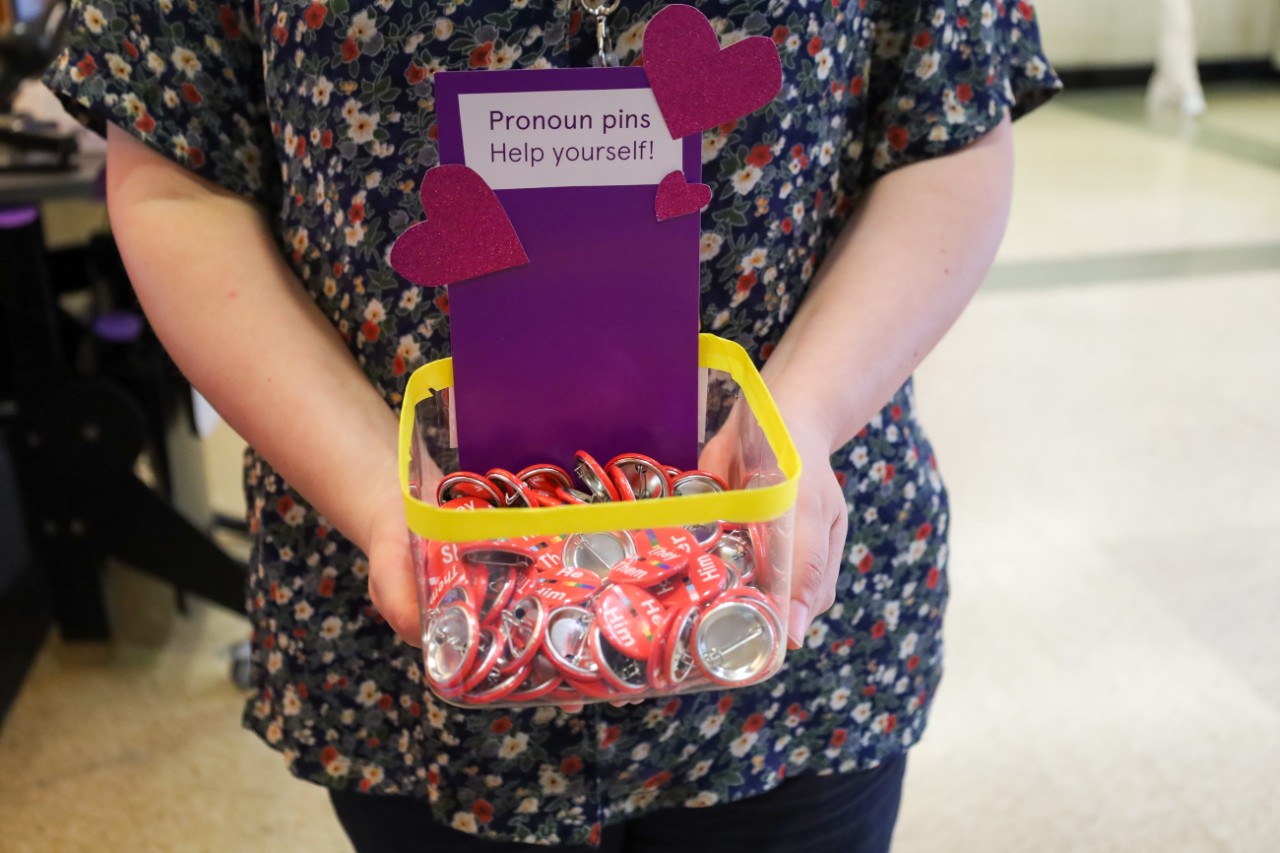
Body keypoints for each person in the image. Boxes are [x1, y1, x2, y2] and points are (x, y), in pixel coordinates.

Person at [46, 0, 1058, 849]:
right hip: (403, 607)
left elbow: (949, 121)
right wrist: (368, 490)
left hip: (790, 597)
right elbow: (180, 168)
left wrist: (801, 419)